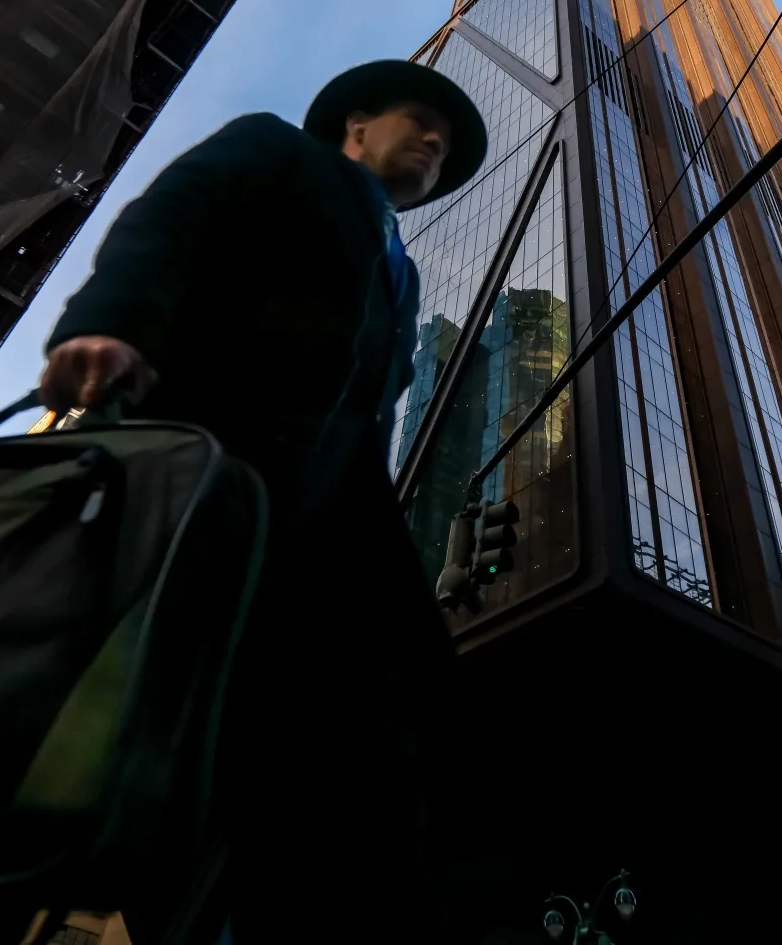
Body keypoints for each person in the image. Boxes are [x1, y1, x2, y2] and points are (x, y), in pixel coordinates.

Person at [39, 59, 488, 945]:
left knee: (389, 723)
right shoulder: (276, 152)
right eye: (421, 120)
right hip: (208, 461)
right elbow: (172, 216)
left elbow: (377, 397)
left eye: (447, 142)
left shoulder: (403, 271)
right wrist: (112, 325)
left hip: (327, 512)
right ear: (355, 127)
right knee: (176, 720)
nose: (437, 142)